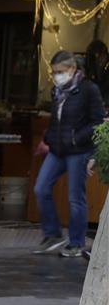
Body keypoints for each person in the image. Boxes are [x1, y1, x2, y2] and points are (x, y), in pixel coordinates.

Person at [33, 49, 104, 258]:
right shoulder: (57, 91)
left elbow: (98, 121)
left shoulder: (89, 90)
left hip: (78, 150)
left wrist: (76, 138)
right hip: (58, 149)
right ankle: (52, 234)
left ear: (73, 69)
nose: (56, 76)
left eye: (60, 71)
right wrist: (47, 141)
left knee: (75, 198)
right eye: (54, 72)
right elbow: (56, 121)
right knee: (41, 188)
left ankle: (76, 243)